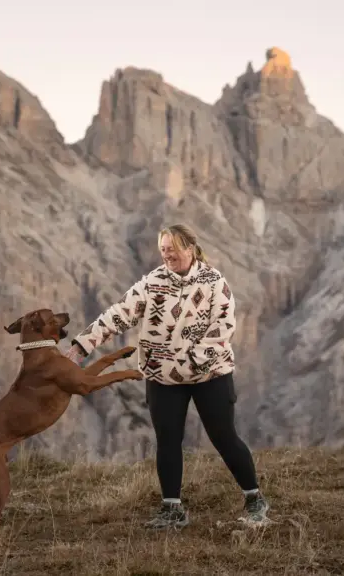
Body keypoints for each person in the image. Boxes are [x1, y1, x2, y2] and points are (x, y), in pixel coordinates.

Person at [65, 223, 270, 529]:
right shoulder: (152, 283)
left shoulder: (215, 283)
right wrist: (82, 346)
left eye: (172, 248)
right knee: (168, 440)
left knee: (224, 437)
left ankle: (255, 499)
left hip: (210, 376)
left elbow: (223, 329)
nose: (166, 254)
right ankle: (172, 509)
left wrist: (189, 360)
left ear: (190, 248)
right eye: (162, 249)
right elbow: (118, 314)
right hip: (163, 379)